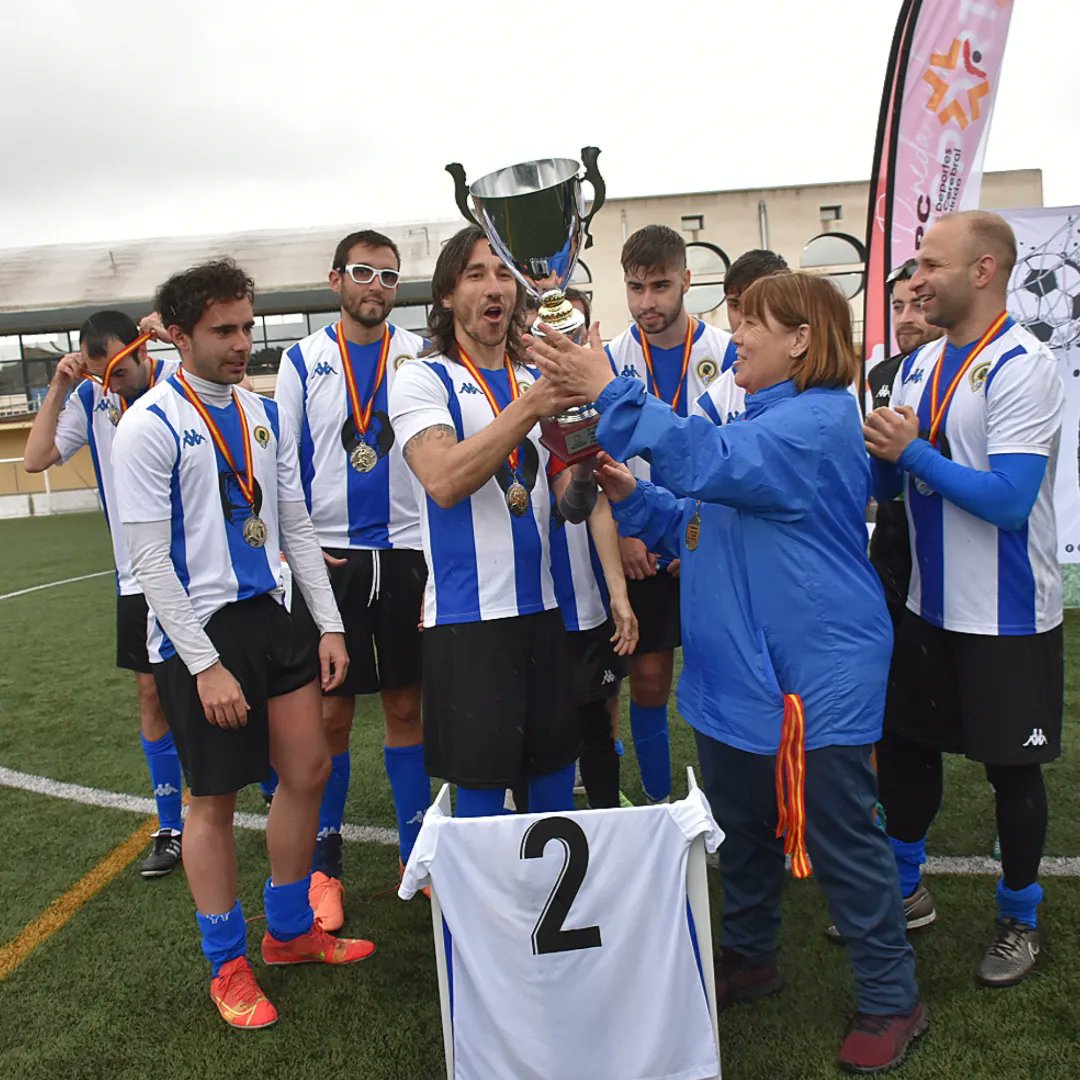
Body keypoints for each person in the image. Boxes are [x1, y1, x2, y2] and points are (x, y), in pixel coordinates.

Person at [528, 271, 925, 1075]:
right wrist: (632, 496)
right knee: (741, 834)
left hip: (809, 680)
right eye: (735, 321)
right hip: (737, 679)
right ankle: (751, 953)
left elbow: (709, 461)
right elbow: (702, 521)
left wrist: (612, 391)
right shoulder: (762, 417)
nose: (734, 336)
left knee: (842, 838)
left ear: (803, 341)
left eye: (752, 324)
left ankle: (892, 997)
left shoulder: (815, 421)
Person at [113, 259, 375, 1030]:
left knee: (309, 767)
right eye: (222, 331)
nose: (240, 343)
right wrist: (203, 665)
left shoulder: (260, 413)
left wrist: (326, 621)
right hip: (201, 630)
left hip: (274, 612)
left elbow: (293, 522)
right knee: (215, 801)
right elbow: (149, 561)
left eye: (246, 327)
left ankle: (289, 933)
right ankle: (227, 964)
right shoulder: (148, 426)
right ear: (178, 335)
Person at [864, 210, 1064, 988]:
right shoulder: (914, 368)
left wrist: (910, 449)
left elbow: (1013, 500)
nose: (915, 282)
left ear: (982, 272)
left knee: (1012, 773)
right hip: (926, 605)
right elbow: (892, 486)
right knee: (909, 752)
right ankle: (905, 887)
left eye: (930, 267)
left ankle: (1020, 916)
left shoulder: (1023, 364)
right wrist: (884, 458)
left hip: (1008, 614)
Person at [388, 225, 597, 818]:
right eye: (476, 274)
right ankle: (477, 914)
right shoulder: (423, 379)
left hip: (544, 611)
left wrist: (584, 469)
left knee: (555, 785)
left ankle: (548, 908)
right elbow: (445, 481)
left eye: (504, 272)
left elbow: (566, 504)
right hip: (468, 621)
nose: (494, 286)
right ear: (448, 296)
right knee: (480, 797)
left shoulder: (533, 375)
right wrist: (532, 405)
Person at [274, 229, 429, 929]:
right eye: (363, 273)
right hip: (329, 559)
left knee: (405, 706)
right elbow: (283, 465)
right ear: (335, 280)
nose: (376, 287)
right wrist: (296, 551)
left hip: (403, 553)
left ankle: (414, 851)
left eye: (389, 277)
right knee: (332, 713)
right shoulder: (302, 361)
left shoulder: (419, 355)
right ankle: (325, 867)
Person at [24, 311, 185, 878]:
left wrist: (176, 338)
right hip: (136, 575)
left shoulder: (182, 381)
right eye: (99, 374)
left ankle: (267, 786)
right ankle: (170, 826)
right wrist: (62, 387)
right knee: (152, 695)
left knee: (237, 683)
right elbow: (35, 458)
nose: (109, 385)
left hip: (202, 568)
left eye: (115, 370)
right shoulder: (92, 398)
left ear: (143, 350)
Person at [604, 225, 737, 804]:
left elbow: (739, 452)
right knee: (651, 681)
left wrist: (699, 536)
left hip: (709, 545)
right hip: (639, 544)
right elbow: (596, 453)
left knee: (729, 679)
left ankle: (737, 805)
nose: (647, 302)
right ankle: (659, 805)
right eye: (636, 288)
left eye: (660, 286)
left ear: (688, 280)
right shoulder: (609, 356)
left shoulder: (729, 350)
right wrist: (627, 533)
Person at [866, 260, 944, 629]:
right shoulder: (881, 373)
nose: (906, 318)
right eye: (897, 307)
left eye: (916, 305)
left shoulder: (958, 366)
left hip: (945, 531)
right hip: (892, 533)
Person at [694, 248, 789, 428]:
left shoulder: (827, 387)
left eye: (756, 307)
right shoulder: (712, 402)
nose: (742, 321)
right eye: (735, 305)